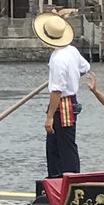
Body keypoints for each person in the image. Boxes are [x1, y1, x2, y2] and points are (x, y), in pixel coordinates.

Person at [36, 12, 90, 178]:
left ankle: (70, 180)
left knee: (65, 146)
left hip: (63, 104)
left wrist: (49, 116)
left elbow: (57, 90)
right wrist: (71, 77)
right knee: (54, 146)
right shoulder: (71, 50)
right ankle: (55, 180)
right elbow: (85, 68)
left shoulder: (57, 59)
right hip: (70, 100)